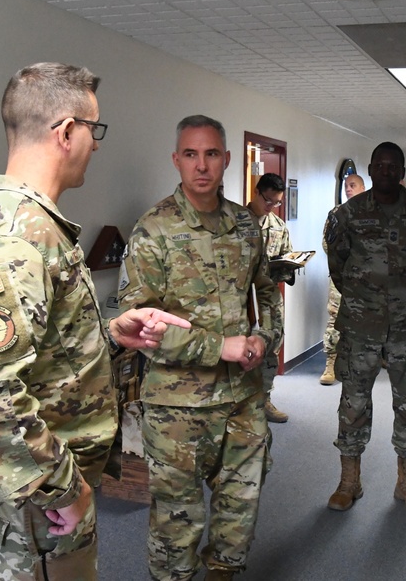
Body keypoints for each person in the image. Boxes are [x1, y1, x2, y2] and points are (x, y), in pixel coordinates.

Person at [0, 62, 190, 581]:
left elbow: (42, 353)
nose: (96, 145)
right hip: (34, 503)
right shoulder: (17, 237)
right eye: (93, 131)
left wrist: (111, 337)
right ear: (66, 132)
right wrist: (63, 490)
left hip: (31, 490)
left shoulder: (25, 222)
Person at [118, 114, 283, 581]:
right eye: (190, 154)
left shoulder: (246, 227)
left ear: (227, 159)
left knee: (240, 511)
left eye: (211, 153)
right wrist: (221, 347)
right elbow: (143, 329)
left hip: (243, 399)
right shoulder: (154, 231)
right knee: (178, 526)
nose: (202, 165)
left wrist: (263, 337)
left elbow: (266, 294)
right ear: (176, 160)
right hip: (178, 409)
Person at [323, 142, 406, 514]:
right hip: (360, 328)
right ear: (371, 169)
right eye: (380, 165)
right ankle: (349, 482)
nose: (387, 171)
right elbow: (336, 265)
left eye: (394, 166)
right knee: (353, 406)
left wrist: (404, 300)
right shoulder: (348, 214)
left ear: (402, 170)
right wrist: (364, 300)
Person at [246, 172, 293, 423]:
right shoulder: (234, 223)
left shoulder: (278, 226)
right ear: (256, 192)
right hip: (242, 300)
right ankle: (241, 404)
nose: (271, 206)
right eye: (268, 200)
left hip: (269, 300)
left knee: (271, 347)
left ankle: (264, 399)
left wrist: (291, 264)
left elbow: (285, 257)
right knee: (242, 349)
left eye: (276, 202)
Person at [321, 173, 365, 385]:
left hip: (368, 281)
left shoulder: (374, 212)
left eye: (353, 185)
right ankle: (331, 362)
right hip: (342, 278)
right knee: (335, 319)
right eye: (346, 185)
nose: (348, 189)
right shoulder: (336, 214)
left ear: (363, 188)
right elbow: (326, 244)